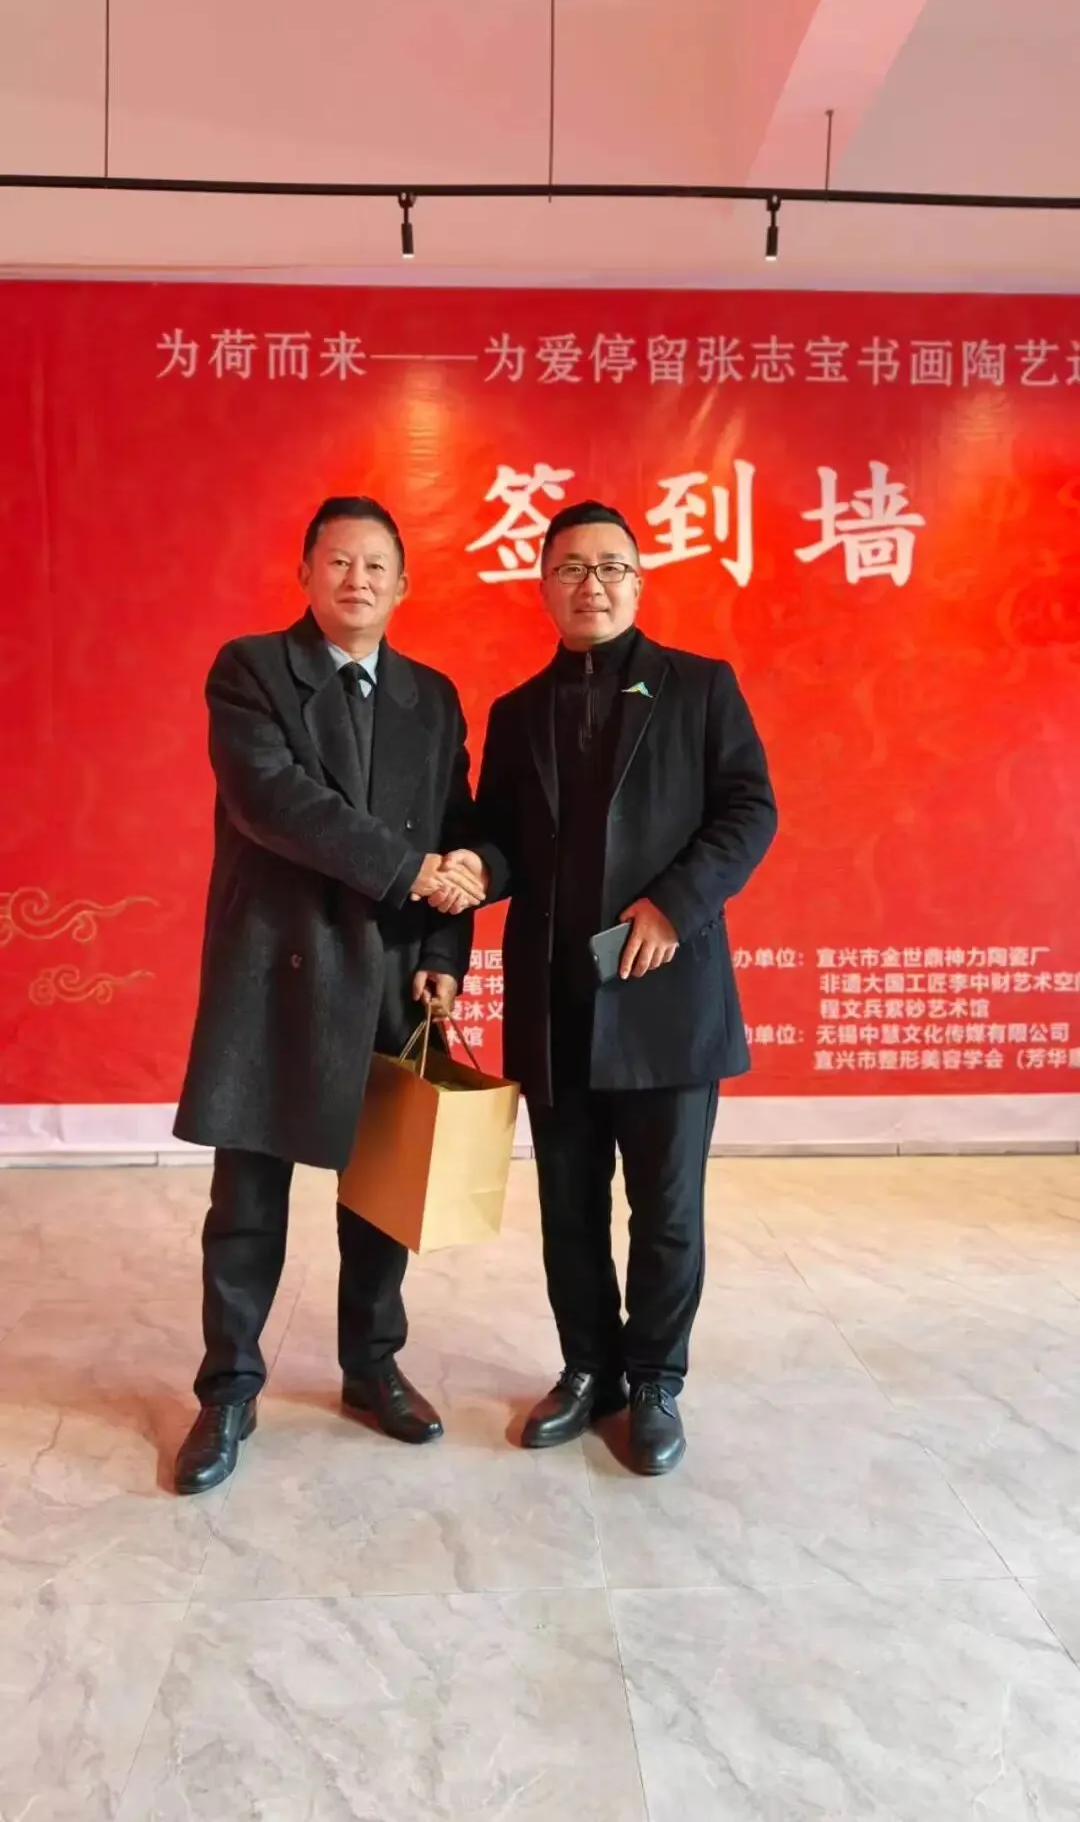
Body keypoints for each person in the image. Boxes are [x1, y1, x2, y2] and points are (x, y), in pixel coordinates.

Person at [172, 495, 483, 1495]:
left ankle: (371, 1366)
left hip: (392, 968)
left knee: (382, 1192)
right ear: (305, 573)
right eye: (339, 561)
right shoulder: (252, 670)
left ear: (404, 585)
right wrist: (410, 870)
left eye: (376, 565)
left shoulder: (431, 696)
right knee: (248, 1198)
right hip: (278, 967)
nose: (358, 580)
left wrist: (446, 946)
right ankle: (229, 1388)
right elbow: (273, 800)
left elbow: (457, 825)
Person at [459, 500, 777, 1476]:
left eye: (610, 568)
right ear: (543, 586)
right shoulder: (518, 713)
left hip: (664, 993)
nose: (590, 585)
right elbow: (503, 839)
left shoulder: (699, 687)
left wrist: (673, 907)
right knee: (569, 1207)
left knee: (667, 1211)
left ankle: (656, 1382)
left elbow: (749, 810)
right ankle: (588, 1369)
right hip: (558, 1001)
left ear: (638, 583)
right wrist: (469, 867)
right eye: (570, 568)